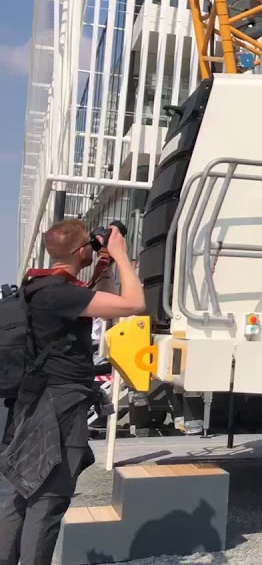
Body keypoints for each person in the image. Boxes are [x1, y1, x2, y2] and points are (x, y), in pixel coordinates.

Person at [0, 219, 146, 564]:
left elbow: (99, 299)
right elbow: (134, 304)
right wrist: (123, 255)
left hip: (34, 400)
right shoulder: (61, 295)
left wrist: (104, 264)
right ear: (81, 251)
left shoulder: (39, 288)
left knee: (23, 489)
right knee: (49, 498)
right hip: (59, 406)